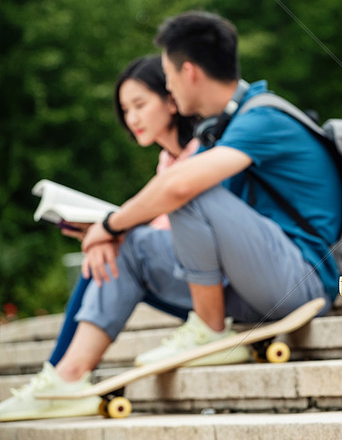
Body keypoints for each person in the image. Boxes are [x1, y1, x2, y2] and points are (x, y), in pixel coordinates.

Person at [1, 12, 342, 422]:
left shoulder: (263, 117)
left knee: (183, 189)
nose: (166, 86)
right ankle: (66, 378)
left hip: (302, 279)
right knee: (134, 245)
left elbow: (179, 188)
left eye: (166, 75)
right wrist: (112, 235)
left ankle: (207, 326)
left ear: (189, 71)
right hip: (255, 281)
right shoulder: (225, 127)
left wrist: (109, 224)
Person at [0, 55, 200, 421]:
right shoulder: (168, 160)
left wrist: (114, 232)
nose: (132, 118)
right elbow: (161, 227)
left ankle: (63, 376)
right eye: (126, 109)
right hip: (187, 275)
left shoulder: (202, 151)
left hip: (214, 280)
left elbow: (187, 229)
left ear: (171, 98)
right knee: (110, 249)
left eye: (140, 105)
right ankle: (58, 377)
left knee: (117, 247)